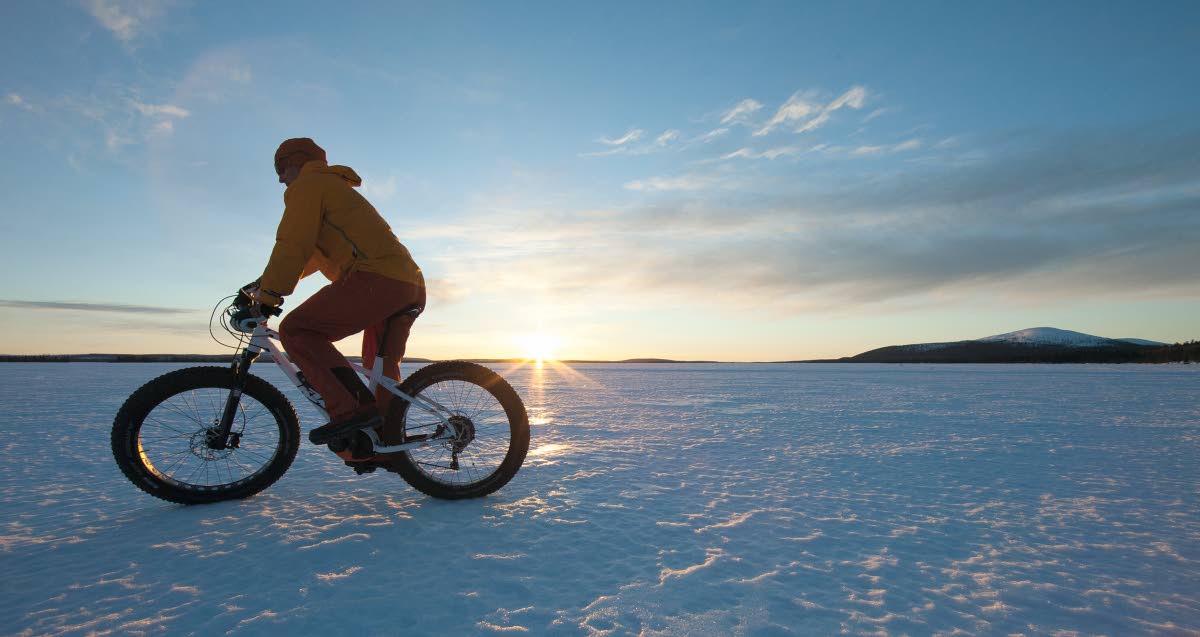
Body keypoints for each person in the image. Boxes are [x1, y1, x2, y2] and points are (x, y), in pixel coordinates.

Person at [254, 137, 426, 449]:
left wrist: (269, 297)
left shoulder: (308, 186)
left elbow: (293, 244)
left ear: (297, 162)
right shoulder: (332, 188)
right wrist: (260, 285)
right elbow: (309, 257)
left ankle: (350, 412)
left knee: (297, 330)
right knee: (380, 371)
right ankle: (384, 447)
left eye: (281, 168)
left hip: (379, 279)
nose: (280, 177)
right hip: (404, 283)